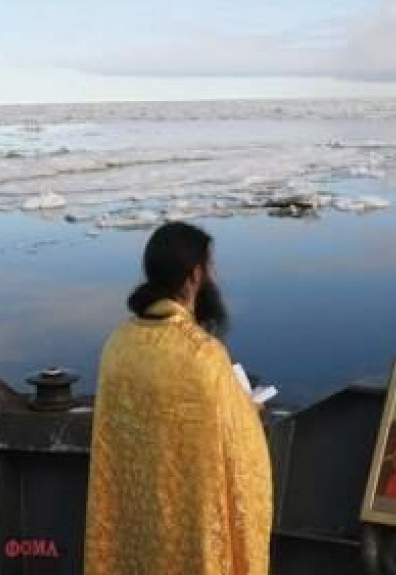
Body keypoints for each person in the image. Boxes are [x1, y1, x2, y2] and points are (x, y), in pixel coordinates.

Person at [84, 222, 272, 575]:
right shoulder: (202, 353)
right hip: (189, 521)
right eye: (210, 267)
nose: (213, 276)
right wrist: (251, 411)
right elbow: (239, 444)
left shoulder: (117, 344)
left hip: (136, 515)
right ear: (195, 274)